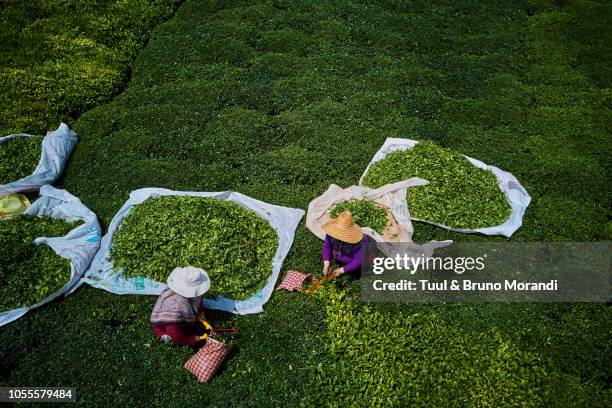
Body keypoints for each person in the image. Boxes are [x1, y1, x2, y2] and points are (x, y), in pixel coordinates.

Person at [150, 266, 211, 351]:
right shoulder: (175, 314)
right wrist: (196, 339)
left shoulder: (183, 292)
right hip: (167, 328)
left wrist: (201, 312)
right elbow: (178, 338)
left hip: (176, 322)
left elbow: (199, 300)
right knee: (169, 336)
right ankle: (163, 336)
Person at [321, 210, 370, 280]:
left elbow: (358, 260)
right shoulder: (331, 234)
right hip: (338, 255)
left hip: (350, 260)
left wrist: (342, 270)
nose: (338, 236)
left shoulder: (356, 242)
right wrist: (326, 263)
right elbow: (327, 246)